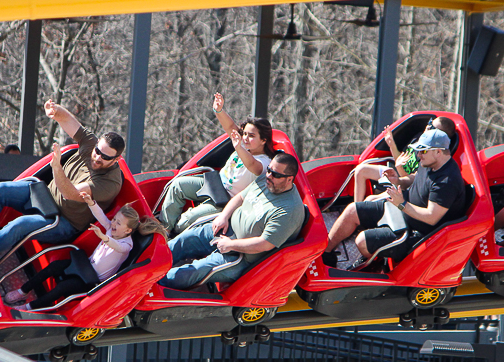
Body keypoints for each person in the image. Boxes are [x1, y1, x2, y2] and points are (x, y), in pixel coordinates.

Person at [0, 100, 125, 258]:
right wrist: (55, 111)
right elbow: (69, 121)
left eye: (105, 157)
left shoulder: (110, 183)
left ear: (116, 159)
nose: (97, 157)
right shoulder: (91, 144)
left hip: (64, 222)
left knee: (18, 226)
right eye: (97, 151)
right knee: (3, 189)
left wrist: (56, 167)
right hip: (45, 197)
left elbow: (69, 194)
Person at [323, 128, 466, 269]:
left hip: (414, 231)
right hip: (400, 208)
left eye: (422, 151)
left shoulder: (447, 182)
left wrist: (402, 204)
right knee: (352, 210)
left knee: (362, 241)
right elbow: (416, 178)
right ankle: (325, 252)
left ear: (438, 152)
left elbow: (431, 217)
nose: (418, 155)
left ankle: (376, 264)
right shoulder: (430, 162)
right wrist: (398, 181)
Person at [159, 153, 304, 290]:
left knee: (193, 271)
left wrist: (231, 245)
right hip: (226, 229)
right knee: (183, 240)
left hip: (240, 256)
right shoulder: (266, 181)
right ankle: (148, 263)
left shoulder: (289, 210)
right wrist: (224, 216)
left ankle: (152, 285)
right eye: (269, 170)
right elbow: (241, 197)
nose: (269, 176)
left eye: (276, 174)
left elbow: (264, 244)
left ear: (289, 179)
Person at [4, 191, 167, 309]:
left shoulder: (127, 245)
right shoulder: (111, 228)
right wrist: (91, 203)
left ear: (128, 231)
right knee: (54, 266)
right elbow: (101, 217)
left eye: (119, 223)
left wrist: (103, 237)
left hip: (92, 280)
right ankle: (22, 291)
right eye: (115, 220)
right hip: (84, 265)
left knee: (62, 288)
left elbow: (116, 246)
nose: (114, 224)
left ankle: (29, 307)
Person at [158, 93, 276, 235]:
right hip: (214, 184)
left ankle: (173, 236)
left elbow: (252, 165)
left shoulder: (265, 161)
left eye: (251, 136)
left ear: (263, 140)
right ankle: (163, 230)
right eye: (244, 134)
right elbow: (231, 126)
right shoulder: (244, 144)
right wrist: (219, 110)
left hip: (225, 201)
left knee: (187, 220)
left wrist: (238, 147)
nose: (245, 138)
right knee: (178, 185)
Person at [354, 117, 456, 202]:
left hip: (403, 182)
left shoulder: (430, 157)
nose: (427, 127)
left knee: (369, 200)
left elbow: (411, 180)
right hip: (396, 171)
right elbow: (401, 158)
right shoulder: (419, 137)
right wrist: (391, 144)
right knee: (360, 170)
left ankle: (358, 216)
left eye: (432, 127)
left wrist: (399, 170)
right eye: (429, 122)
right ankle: (356, 208)